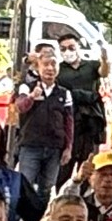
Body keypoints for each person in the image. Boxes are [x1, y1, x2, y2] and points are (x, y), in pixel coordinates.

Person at [12, 44, 75, 207]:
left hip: (54, 147)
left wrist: (68, 147)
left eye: (53, 64)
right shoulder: (27, 87)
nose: (50, 68)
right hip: (31, 145)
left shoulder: (64, 93)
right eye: (45, 64)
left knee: (46, 188)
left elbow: (68, 121)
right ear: (38, 67)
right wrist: (32, 96)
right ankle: (17, 219)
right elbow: (20, 107)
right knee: (24, 185)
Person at [54, 32, 110, 182]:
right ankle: (63, 194)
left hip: (91, 118)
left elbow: (104, 72)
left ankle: (85, 193)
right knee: (66, 162)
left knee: (89, 160)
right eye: (63, 48)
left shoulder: (91, 65)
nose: (68, 51)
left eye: (71, 47)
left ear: (79, 46)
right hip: (69, 118)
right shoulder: (59, 69)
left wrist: (104, 58)